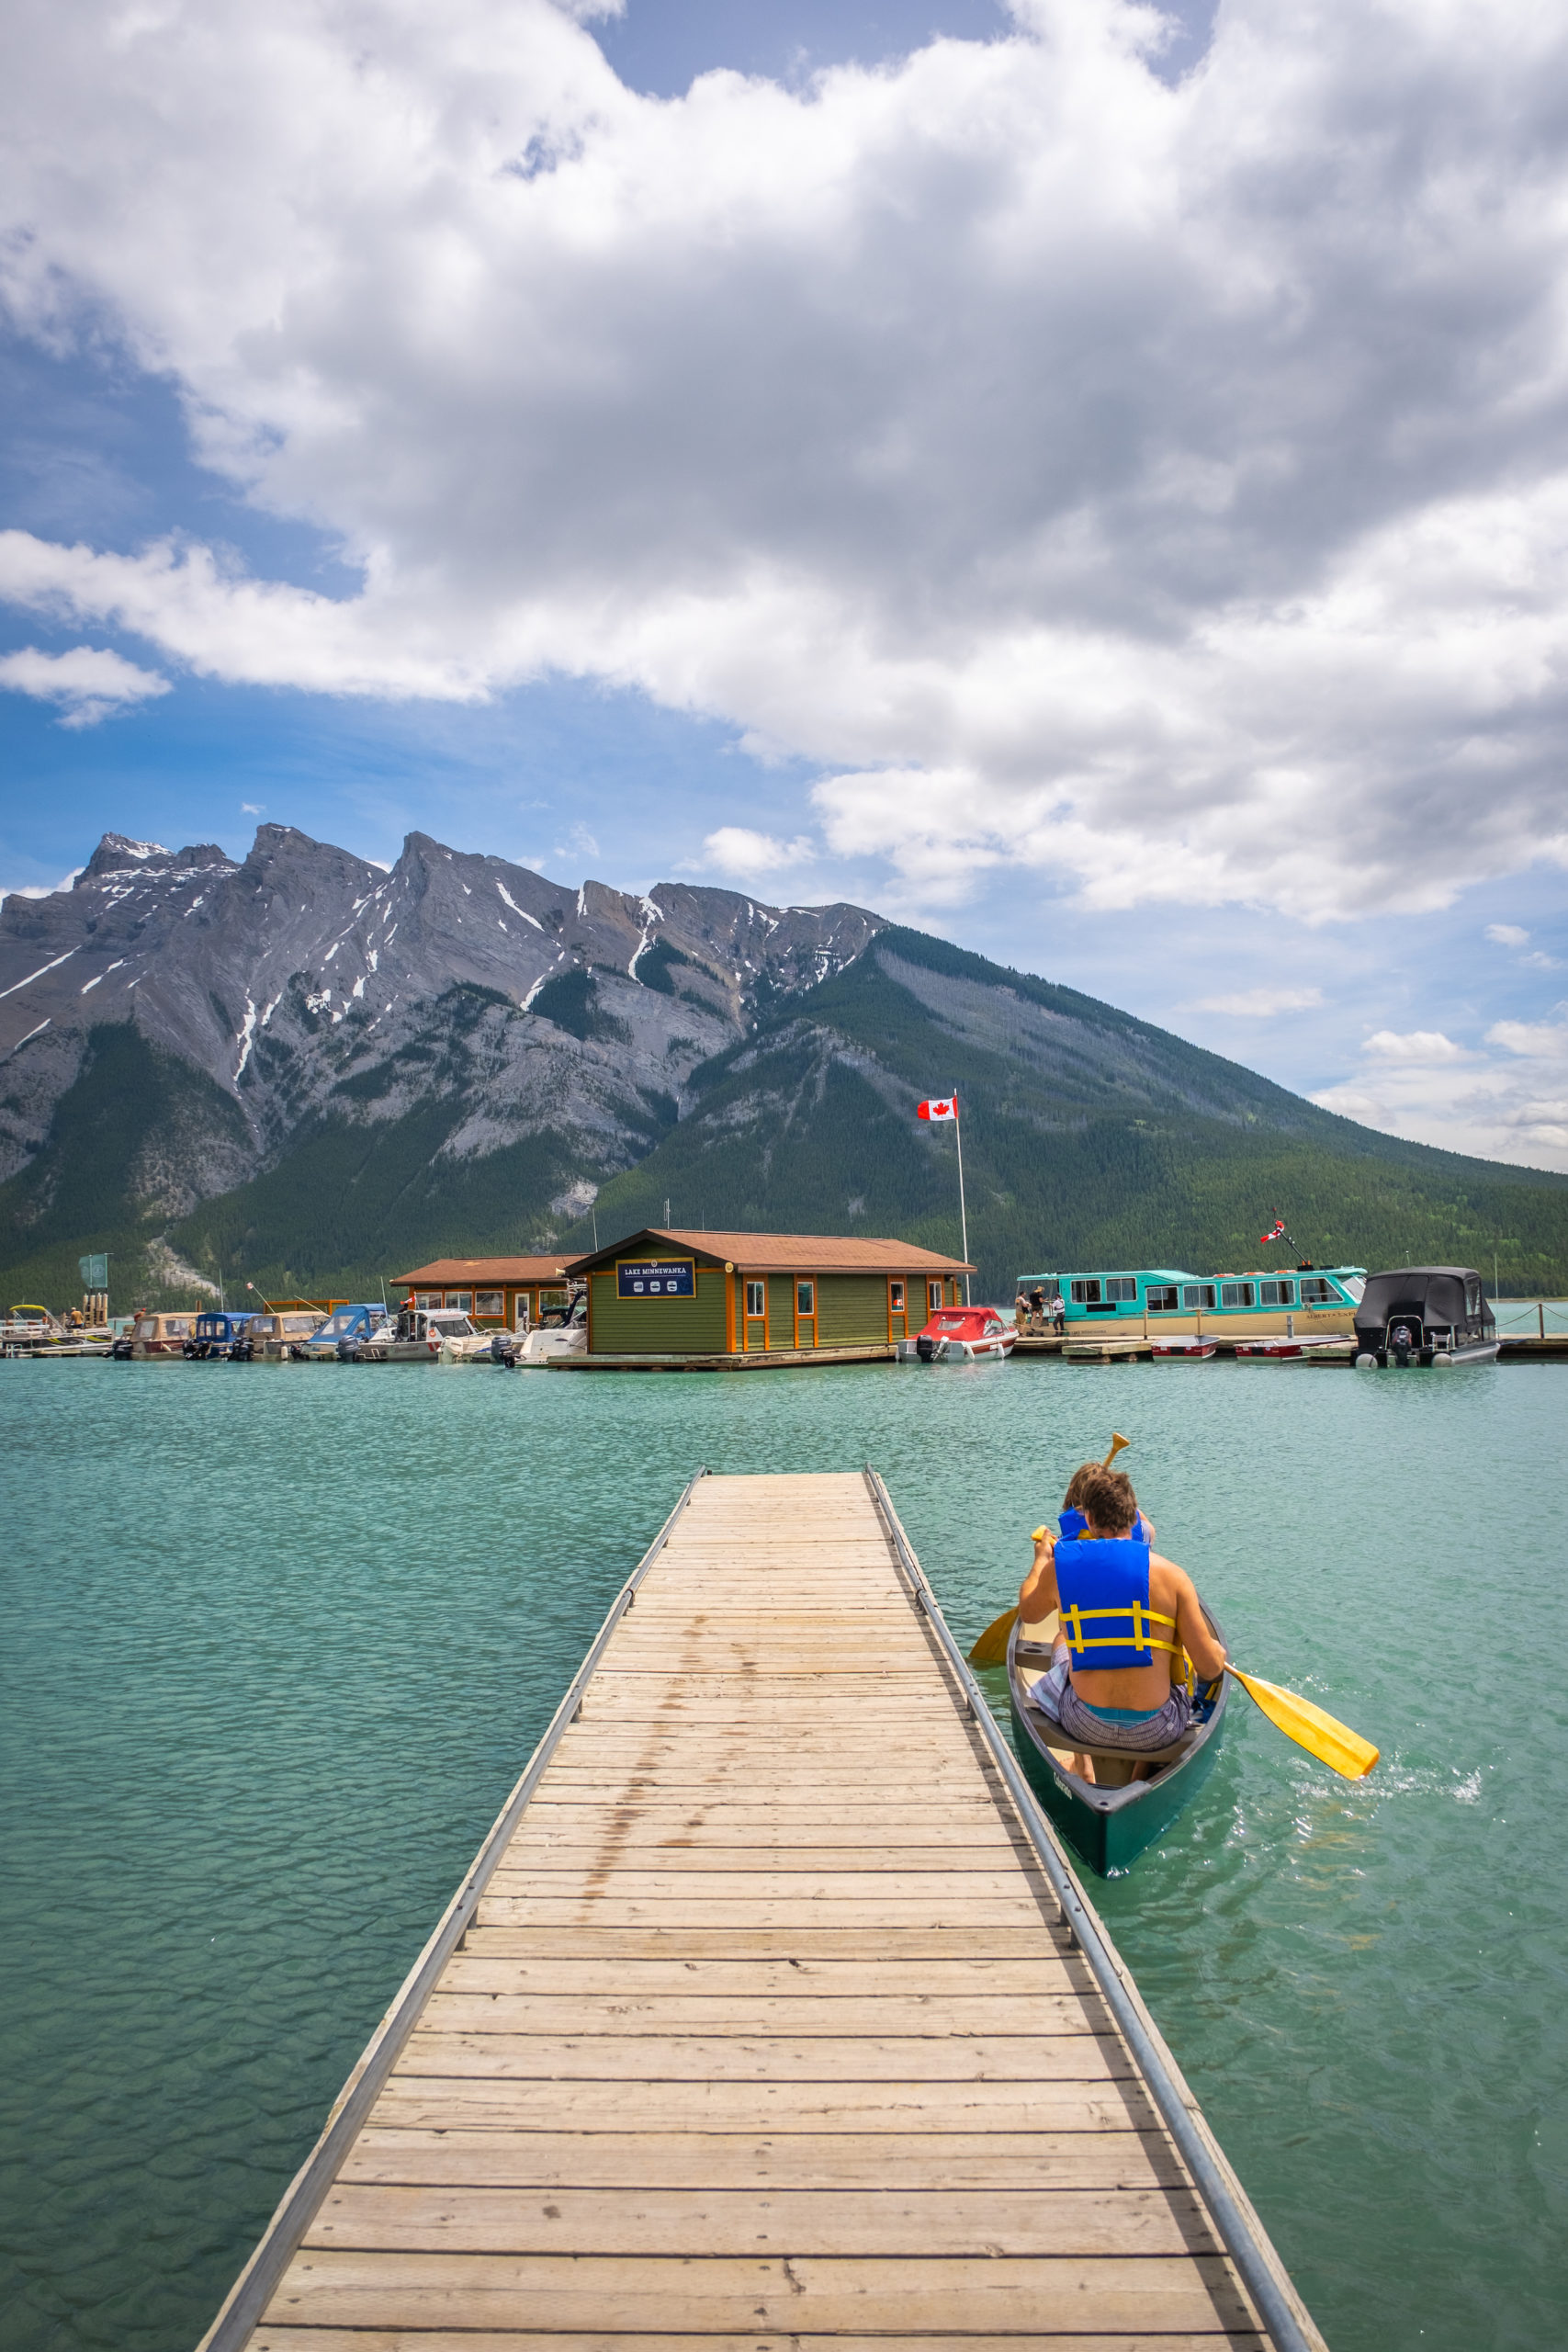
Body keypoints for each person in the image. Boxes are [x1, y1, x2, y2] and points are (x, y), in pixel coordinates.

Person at [1017, 1464, 1225, 1781]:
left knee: (1063, 1640)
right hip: (1157, 1730)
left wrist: (1041, 1561)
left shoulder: (1061, 1567)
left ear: (1088, 1519)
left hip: (1083, 1722)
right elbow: (1210, 1670)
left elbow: (1029, 1614)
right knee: (1177, 1657)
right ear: (1134, 1518)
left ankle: (1083, 1767)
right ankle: (1140, 1778)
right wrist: (1216, 1652)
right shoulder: (1173, 1577)